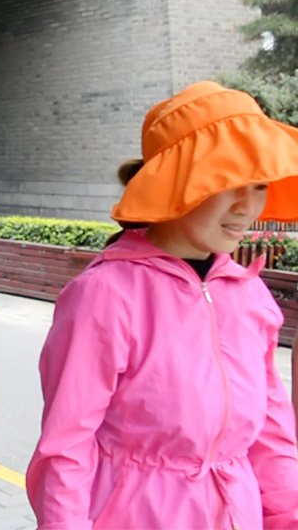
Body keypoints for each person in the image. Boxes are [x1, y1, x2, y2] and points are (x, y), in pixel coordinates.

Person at [26, 81, 298, 529]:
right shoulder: (106, 294)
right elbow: (66, 448)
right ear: (177, 183)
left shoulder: (250, 295)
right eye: (229, 181)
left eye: (260, 184)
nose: (248, 206)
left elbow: (271, 436)